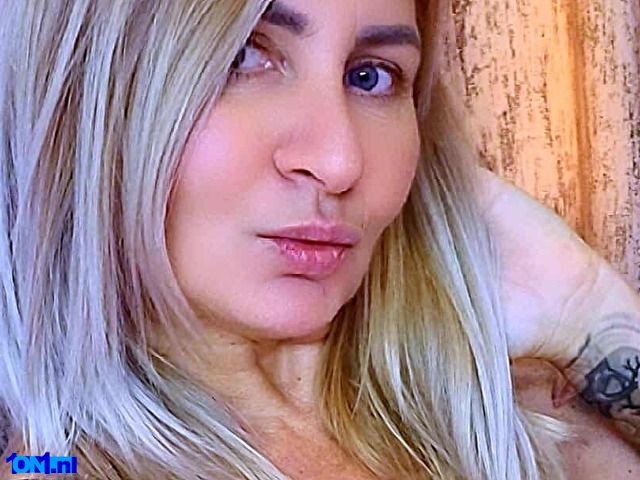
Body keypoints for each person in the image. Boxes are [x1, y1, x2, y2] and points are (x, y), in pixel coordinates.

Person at [0, 0, 639, 479]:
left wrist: (581, 307)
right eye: (243, 57)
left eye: (372, 76)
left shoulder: (508, 424)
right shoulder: (55, 463)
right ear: (90, 94)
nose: (339, 161)